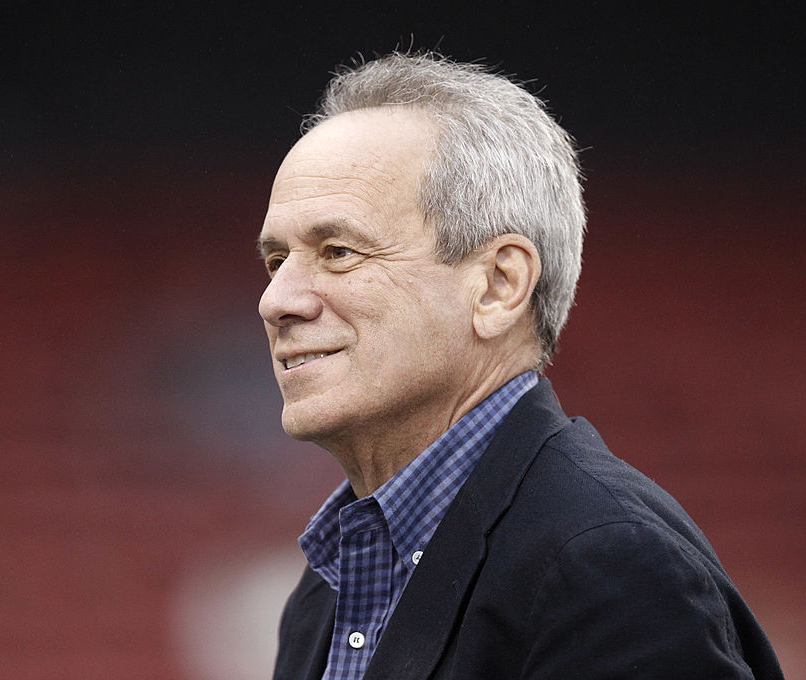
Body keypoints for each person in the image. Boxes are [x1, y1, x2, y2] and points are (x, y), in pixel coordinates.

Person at [256, 52, 784, 680]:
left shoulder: (607, 570)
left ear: (499, 286)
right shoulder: (328, 593)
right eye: (275, 260)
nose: (277, 300)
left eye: (338, 252)